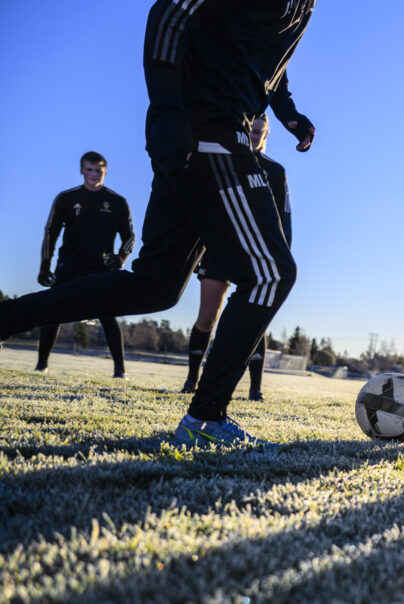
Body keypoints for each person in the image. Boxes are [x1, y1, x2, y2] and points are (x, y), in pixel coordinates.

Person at [0, 0, 317, 448]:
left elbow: (261, 57)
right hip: (206, 128)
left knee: (155, 287)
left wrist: (287, 112)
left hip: (213, 127)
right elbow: (170, 13)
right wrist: (168, 112)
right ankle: (206, 418)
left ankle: (6, 318)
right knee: (271, 273)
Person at [181, 115, 292, 402]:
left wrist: (280, 255)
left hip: (256, 252)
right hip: (219, 249)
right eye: (249, 130)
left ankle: (255, 389)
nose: (253, 136)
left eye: (258, 132)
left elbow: (283, 219)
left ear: (266, 133)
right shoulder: (223, 161)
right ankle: (192, 378)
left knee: (254, 318)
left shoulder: (275, 172)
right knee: (207, 318)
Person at [36, 151, 134, 378]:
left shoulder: (118, 202)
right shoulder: (66, 199)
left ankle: (120, 371)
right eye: (89, 169)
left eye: (98, 170)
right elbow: (50, 233)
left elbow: (129, 236)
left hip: (101, 269)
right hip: (69, 266)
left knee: (108, 316)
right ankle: (41, 366)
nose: (93, 174)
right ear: (82, 170)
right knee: (52, 312)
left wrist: (121, 258)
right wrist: (44, 265)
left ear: (105, 172)